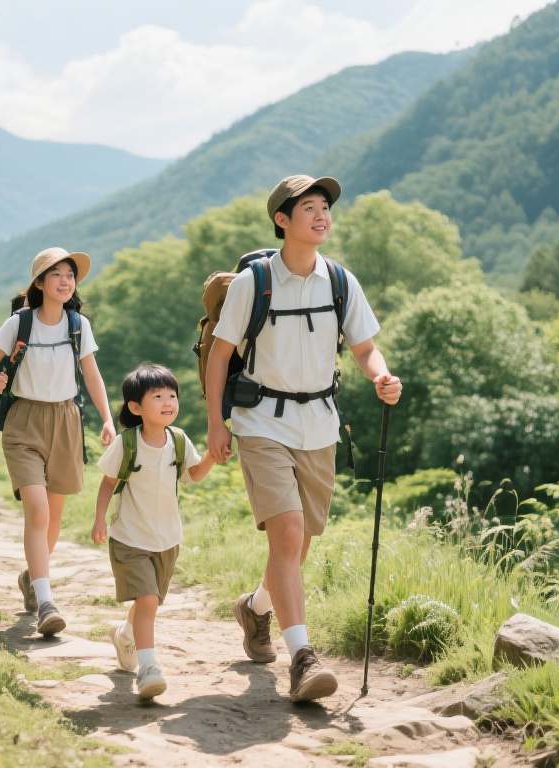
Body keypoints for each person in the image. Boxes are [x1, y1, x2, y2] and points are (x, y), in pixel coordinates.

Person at [205, 175, 402, 703]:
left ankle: (255, 609)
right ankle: (303, 659)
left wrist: (381, 375)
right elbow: (222, 355)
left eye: (325, 209)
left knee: (299, 545)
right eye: (308, 208)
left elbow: (364, 348)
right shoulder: (255, 282)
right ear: (282, 220)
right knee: (288, 534)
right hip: (261, 422)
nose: (321, 217)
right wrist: (216, 424)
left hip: (319, 425)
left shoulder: (340, 281)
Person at [0, 247, 116, 636]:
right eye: (56, 274)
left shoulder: (77, 325)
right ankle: (47, 602)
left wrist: (107, 420)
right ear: (39, 283)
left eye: (70, 274)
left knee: (53, 518)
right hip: (24, 422)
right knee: (37, 512)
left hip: (66, 420)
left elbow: (92, 375)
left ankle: (32, 580)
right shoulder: (20, 324)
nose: (65, 280)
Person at [92, 364, 216, 699]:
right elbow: (108, 482)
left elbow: (193, 475)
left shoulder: (178, 440)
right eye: (158, 396)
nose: (168, 402)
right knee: (147, 599)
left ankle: (125, 634)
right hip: (130, 538)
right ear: (136, 408)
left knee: (150, 603)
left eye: (172, 396)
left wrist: (213, 457)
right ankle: (148, 669)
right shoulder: (126, 443)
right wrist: (100, 518)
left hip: (167, 539)